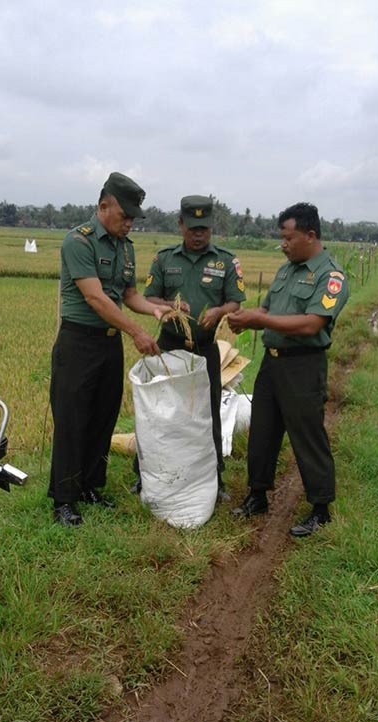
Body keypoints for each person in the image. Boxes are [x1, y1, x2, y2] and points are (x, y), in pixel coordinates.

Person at [49, 172, 167, 527]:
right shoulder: (79, 241)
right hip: (78, 342)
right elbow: (95, 297)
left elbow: (128, 295)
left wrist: (156, 309)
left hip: (108, 344)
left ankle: (90, 487)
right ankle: (64, 499)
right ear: (103, 206)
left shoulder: (125, 247)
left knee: (103, 416)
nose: (129, 223)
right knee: (72, 420)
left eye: (133, 218)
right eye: (124, 216)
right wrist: (136, 332)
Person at [228, 202, 349, 537]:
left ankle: (321, 508)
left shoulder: (331, 276)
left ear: (311, 235)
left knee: (307, 435)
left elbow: (313, 323)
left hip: (303, 366)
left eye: (288, 238)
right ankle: (257, 495)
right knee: (263, 430)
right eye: (281, 238)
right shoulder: (285, 270)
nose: (282, 244)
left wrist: (260, 319)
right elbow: (267, 307)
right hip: (273, 362)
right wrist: (247, 320)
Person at [142, 195, 246, 501]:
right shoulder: (164, 259)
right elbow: (150, 298)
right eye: (192, 228)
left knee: (208, 412)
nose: (198, 234)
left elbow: (235, 301)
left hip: (205, 348)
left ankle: (215, 479)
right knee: (159, 412)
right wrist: (171, 306)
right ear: (180, 225)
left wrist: (219, 311)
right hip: (169, 347)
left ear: (211, 227)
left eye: (204, 228)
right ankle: (147, 474)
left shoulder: (225, 260)